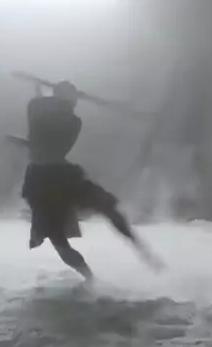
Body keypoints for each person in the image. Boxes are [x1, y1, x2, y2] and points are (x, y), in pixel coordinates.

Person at [16, 79, 164, 282]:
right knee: (57, 240)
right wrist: (61, 98)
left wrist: (62, 99)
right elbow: (40, 110)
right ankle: (90, 280)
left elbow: (49, 122)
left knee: (108, 207)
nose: (74, 104)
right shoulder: (42, 108)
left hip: (61, 174)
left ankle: (142, 251)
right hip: (40, 180)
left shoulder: (72, 122)